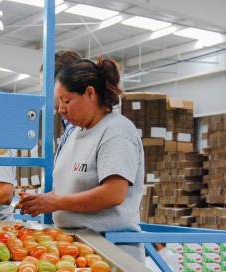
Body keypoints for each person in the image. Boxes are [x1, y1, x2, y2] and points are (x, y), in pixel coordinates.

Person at [18, 56, 145, 260]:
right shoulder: (75, 134)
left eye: (67, 100)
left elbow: (113, 193)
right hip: (76, 248)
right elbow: (73, 188)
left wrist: (58, 202)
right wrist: (44, 199)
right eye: (59, 102)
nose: (60, 109)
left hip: (110, 253)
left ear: (90, 93)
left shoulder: (116, 131)